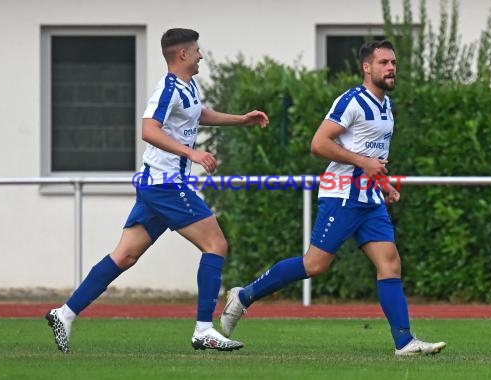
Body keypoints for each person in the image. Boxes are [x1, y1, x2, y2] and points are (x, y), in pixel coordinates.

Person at [46, 28, 269, 353]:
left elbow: (198, 114)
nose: (201, 55)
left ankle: (64, 314)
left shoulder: (187, 86)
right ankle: (204, 329)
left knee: (124, 255)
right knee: (216, 244)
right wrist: (191, 153)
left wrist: (241, 120)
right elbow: (149, 130)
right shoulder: (166, 88)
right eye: (196, 50)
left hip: (156, 185)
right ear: (182, 54)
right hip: (166, 185)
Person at [220, 40, 446, 357]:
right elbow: (319, 143)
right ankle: (244, 297)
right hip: (342, 195)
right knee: (314, 265)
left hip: (370, 199)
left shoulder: (385, 106)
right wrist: (364, 164)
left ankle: (405, 343)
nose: (391, 68)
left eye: (393, 62)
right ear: (367, 67)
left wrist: (384, 184)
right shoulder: (352, 101)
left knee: (390, 263)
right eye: (383, 62)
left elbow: (372, 154)